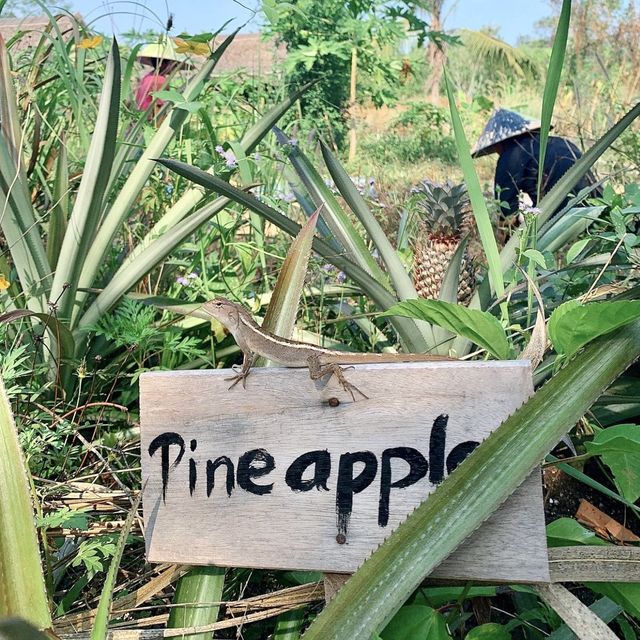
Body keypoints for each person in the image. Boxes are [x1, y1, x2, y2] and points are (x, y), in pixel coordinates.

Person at [472, 109, 597, 218]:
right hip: (590, 207)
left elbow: (507, 208)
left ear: (499, 144)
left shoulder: (510, 156)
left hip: (559, 214)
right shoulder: (562, 142)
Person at [135, 41, 189, 112]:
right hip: (150, 118)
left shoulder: (147, 77)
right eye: (174, 65)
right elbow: (157, 106)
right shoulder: (160, 80)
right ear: (164, 63)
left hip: (140, 115)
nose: (175, 68)